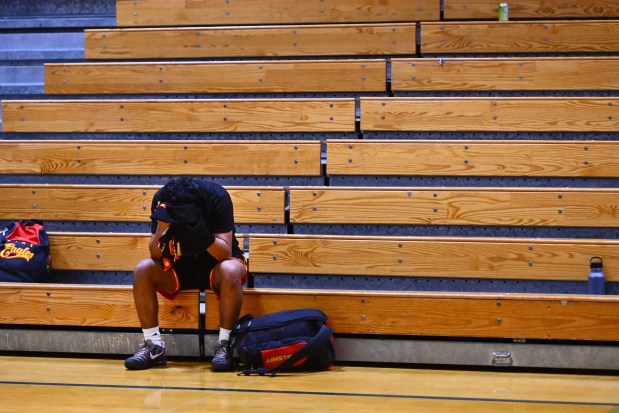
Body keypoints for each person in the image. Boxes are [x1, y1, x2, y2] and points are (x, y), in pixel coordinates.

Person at [124, 177, 247, 372]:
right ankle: (153, 347)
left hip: (215, 263)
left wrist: (198, 231)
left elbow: (225, 253)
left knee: (230, 269)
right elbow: (154, 254)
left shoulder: (216, 197)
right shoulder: (162, 200)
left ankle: (224, 346)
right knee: (143, 269)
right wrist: (161, 229)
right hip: (179, 264)